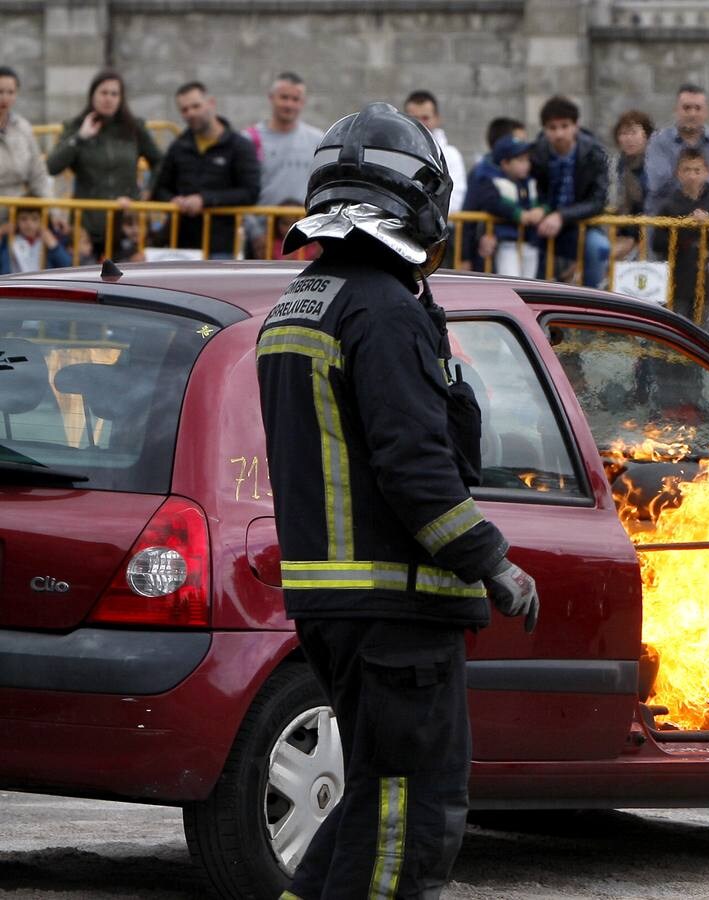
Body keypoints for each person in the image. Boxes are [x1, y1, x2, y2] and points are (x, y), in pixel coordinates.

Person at [256, 101, 539, 900]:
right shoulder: (381, 312)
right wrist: (492, 562)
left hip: (335, 608)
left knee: (369, 801)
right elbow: (416, 467)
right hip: (396, 611)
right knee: (409, 823)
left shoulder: (301, 303)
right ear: (418, 201)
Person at [45, 70, 162, 256]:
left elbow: (159, 162)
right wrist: (80, 138)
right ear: (92, 95)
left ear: (121, 98)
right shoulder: (75, 126)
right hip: (87, 226)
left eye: (114, 94)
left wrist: (148, 191)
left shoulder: (134, 127)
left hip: (126, 225)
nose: (108, 98)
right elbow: (52, 166)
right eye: (103, 93)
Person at [150, 81, 260, 257]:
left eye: (196, 106)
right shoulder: (178, 146)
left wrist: (205, 200)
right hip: (182, 247)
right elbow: (160, 189)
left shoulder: (239, 146)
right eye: (184, 109)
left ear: (211, 103)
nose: (191, 113)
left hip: (222, 245)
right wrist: (174, 200)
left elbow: (250, 192)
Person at [528, 95, 611, 288]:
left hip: (581, 224)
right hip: (540, 224)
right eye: (552, 128)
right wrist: (541, 211)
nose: (559, 134)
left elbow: (598, 200)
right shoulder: (536, 153)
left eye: (565, 126)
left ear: (576, 126)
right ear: (544, 129)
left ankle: (593, 303)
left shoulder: (594, 153)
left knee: (599, 247)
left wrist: (561, 216)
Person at [244, 72, 323, 258]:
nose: (289, 104)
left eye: (295, 99)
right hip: (261, 238)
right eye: (284, 97)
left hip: (306, 239)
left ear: (303, 102)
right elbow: (242, 190)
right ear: (271, 98)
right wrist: (255, 234)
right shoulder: (248, 139)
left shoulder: (318, 140)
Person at [653, 146, 709, 326]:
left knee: (702, 328)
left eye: (697, 171)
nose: (692, 176)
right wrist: (686, 224)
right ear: (678, 173)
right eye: (687, 170)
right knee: (676, 325)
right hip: (678, 277)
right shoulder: (668, 206)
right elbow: (658, 242)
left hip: (705, 276)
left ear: (707, 173)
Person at [643, 83, 709, 215]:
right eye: (686, 108)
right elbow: (659, 184)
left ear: (706, 112)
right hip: (666, 224)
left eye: (698, 108)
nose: (692, 114)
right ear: (676, 110)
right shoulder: (659, 142)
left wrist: (681, 178)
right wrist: (708, 177)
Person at [464, 134, 546, 277]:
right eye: (520, 160)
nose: (526, 165)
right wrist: (518, 214)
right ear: (505, 163)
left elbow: (545, 202)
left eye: (527, 160)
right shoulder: (493, 182)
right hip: (507, 243)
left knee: (530, 283)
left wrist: (542, 210)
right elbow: (493, 203)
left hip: (530, 242)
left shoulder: (531, 182)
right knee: (511, 280)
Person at [0, 67, 56, 220]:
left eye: (10, 92)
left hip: (19, 218)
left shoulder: (23, 128)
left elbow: (38, 175)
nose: (4, 98)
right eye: (0, 91)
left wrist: (52, 212)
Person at [403, 90, 467, 214]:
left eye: (425, 118)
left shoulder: (451, 155)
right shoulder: (394, 151)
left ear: (437, 119)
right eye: (413, 118)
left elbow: (454, 203)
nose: (420, 123)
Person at [609, 108, 655, 259]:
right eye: (623, 134)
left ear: (646, 136)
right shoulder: (617, 165)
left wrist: (634, 238)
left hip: (648, 231)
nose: (629, 139)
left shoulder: (654, 166)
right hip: (622, 230)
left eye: (633, 133)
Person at [0, 205, 72, 274]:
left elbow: (67, 266)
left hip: (41, 285)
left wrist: (54, 246)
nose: (29, 223)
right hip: (15, 285)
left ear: (43, 221)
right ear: (16, 221)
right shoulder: (8, 239)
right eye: (23, 218)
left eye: (35, 219)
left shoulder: (48, 241)